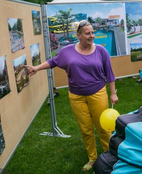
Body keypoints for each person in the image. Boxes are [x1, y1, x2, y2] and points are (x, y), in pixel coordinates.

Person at [25, 20, 118, 172]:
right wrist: (36, 67)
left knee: (103, 127)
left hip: (98, 93)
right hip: (76, 96)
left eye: (92, 32)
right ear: (79, 35)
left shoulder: (101, 51)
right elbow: (53, 62)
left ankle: (110, 155)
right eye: (88, 33)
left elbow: (110, 74)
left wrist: (113, 93)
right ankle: (92, 157)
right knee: (85, 129)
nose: (92, 36)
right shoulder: (67, 51)